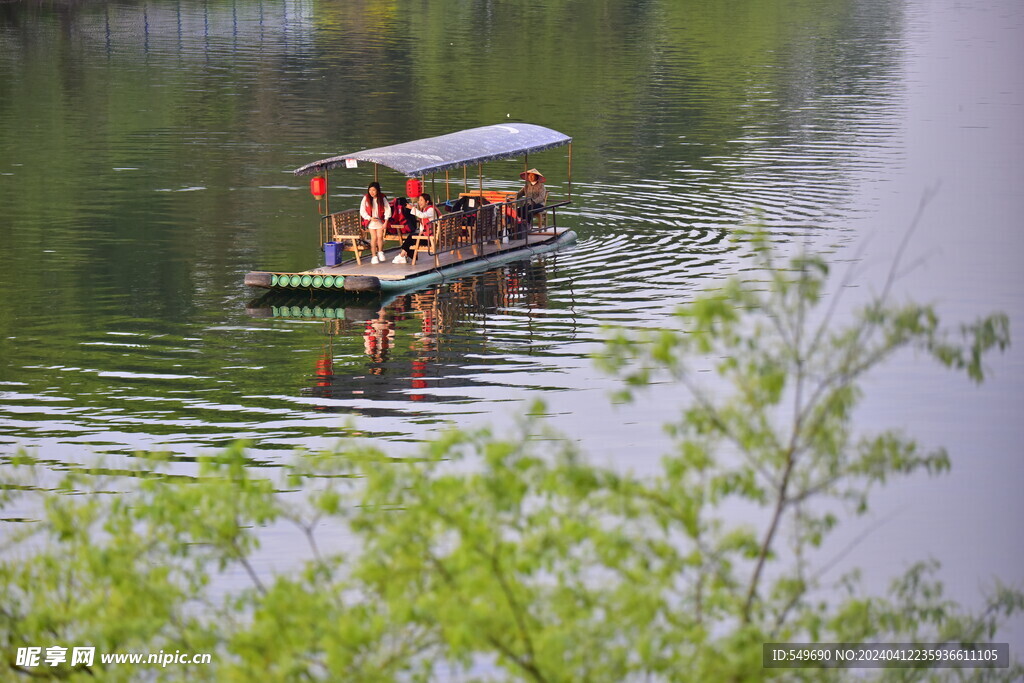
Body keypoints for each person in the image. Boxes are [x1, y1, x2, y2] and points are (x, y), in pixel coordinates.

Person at [392, 193, 440, 264]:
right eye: (419, 200)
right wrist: (420, 232)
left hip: (431, 239)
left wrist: (412, 208)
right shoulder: (425, 209)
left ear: (427, 202)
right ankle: (403, 255)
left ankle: (402, 255)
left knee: (412, 237)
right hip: (428, 236)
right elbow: (423, 224)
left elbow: (423, 216)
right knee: (412, 236)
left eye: (421, 200)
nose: (419, 202)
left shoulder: (430, 210)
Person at [360, 182, 392, 264]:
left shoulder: (382, 198)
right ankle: (374, 256)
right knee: (374, 238)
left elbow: (388, 209)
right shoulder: (366, 198)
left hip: (380, 220)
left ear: (377, 190)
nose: (371, 192)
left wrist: (386, 221)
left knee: (380, 236)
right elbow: (362, 210)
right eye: (370, 190)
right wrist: (369, 218)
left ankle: (380, 252)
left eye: (373, 190)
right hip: (371, 221)